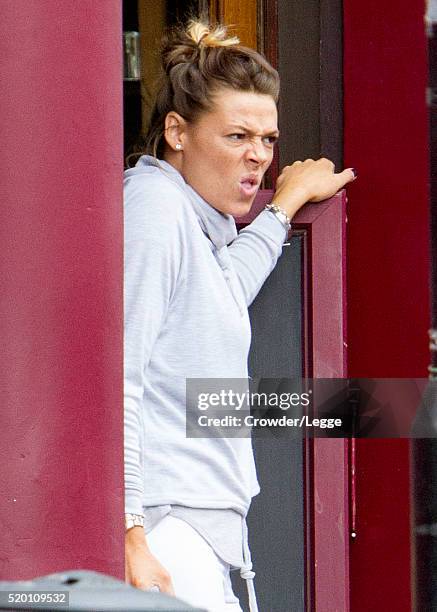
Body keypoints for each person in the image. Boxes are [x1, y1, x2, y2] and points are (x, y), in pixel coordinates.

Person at [123, 19, 356, 612]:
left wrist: (285, 203)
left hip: (198, 531)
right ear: (177, 131)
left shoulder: (194, 225)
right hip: (167, 530)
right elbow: (116, 377)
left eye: (269, 140)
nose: (258, 157)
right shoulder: (154, 207)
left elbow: (229, 289)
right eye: (236, 136)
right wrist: (130, 534)